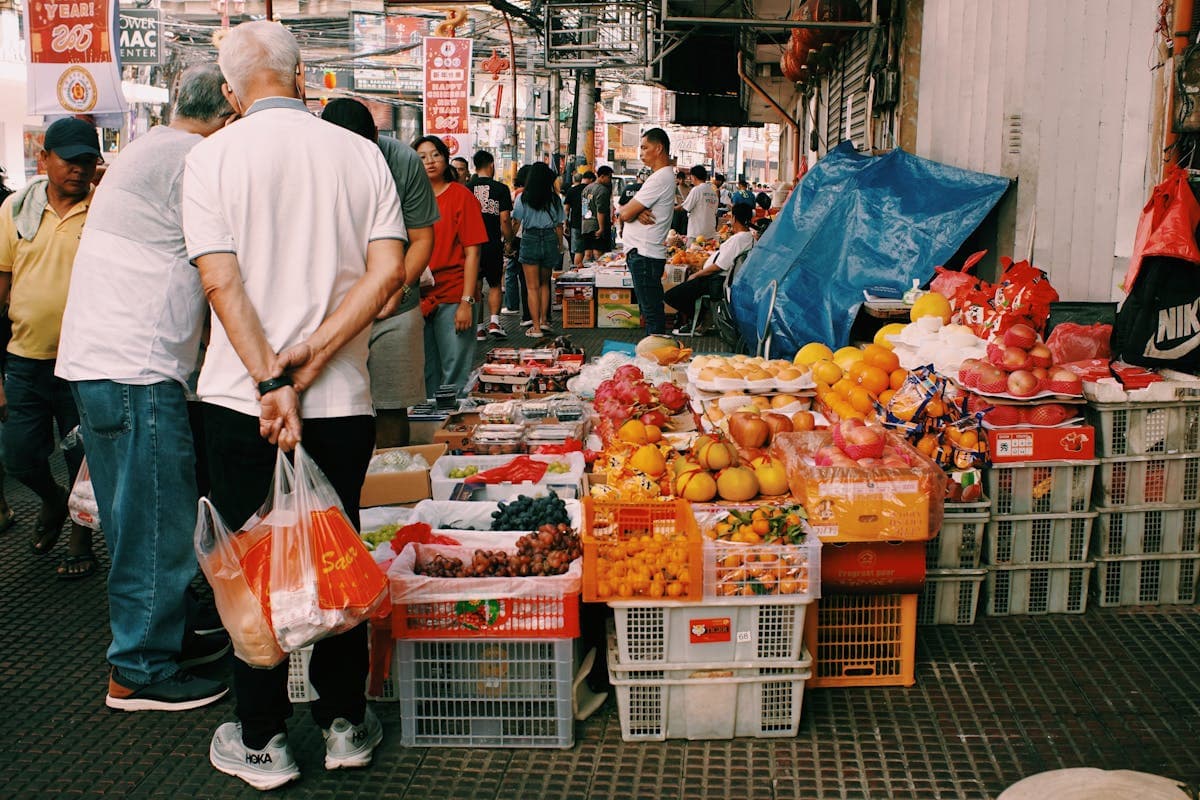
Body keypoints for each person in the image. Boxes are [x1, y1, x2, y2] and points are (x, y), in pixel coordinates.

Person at [180, 20, 412, 789]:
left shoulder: (210, 158)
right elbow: (385, 276)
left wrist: (271, 381)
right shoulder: (359, 154)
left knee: (252, 572)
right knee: (335, 552)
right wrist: (312, 360)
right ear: (302, 73)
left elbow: (222, 283)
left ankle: (262, 740)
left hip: (237, 400)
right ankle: (345, 723)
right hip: (340, 397)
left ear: (229, 83)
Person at [56, 64, 235, 712]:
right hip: (134, 369)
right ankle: (138, 669)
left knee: (142, 517)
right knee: (155, 522)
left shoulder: (150, 147)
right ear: (227, 111)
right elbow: (223, 268)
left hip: (102, 363)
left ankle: (160, 640)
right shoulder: (194, 161)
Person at [0, 117, 100, 579]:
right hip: (25, 358)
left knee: (84, 460)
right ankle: (53, 501)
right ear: (44, 159)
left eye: (86, 161)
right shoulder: (15, 210)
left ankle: (81, 541)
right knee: (17, 455)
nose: (78, 170)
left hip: (84, 362)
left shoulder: (102, 209)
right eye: (69, 160)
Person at [320, 99, 438, 449]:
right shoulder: (310, 159)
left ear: (376, 136)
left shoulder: (402, 161)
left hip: (394, 309)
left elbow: (421, 238)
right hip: (332, 307)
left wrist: (398, 290)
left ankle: (391, 488)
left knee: (391, 406)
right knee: (334, 410)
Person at [414, 135, 488, 394]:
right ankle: (429, 429)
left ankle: (450, 429)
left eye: (435, 155)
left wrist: (466, 302)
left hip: (454, 295)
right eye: (422, 157)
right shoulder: (411, 197)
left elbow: (473, 254)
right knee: (424, 373)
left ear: (446, 159)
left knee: (454, 374)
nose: (430, 162)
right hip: (418, 298)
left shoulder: (461, 197)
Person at [617, 128, 676, 335]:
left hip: (645, 254)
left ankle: (655, 358)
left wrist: (631, 212)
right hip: (645, 254)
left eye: (644, 147)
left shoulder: (660, 178)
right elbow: (626, 209)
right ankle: (656, 353)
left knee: (651, 313)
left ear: (658, 148)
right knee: (651, 310)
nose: (640, 153)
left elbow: (624, 213)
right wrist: (635, 211)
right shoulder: (659, 177)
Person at [667, 204, 756, 336]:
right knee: (685, 288)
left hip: (716, 279)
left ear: (734, 218)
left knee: (671, 296)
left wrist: (697, 275)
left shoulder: (739, 239)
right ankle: (700, 318)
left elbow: (719, 266)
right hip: (718, 278)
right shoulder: (748, 237)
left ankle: (701, 318)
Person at [512, 162, 565, 338]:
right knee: (545, 283)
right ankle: (544, 321)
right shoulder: (555, 199)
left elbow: (516, 221)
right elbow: (559, 226)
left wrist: (509, 241)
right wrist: (559, 245)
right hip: (549, 238)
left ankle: (535, 328)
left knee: (532, 287)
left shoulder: (523, 198)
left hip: (530, 238)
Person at [467, 150, 513, 341]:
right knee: (494, 283)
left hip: (471, 245)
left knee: (475, 285)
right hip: (493, 242)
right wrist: (509, 240)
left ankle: (478, 328)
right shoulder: (501, 189)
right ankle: (494, 321)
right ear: (492, 165)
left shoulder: (467, 188)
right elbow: (504, 219)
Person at [502, 164, 534, 328]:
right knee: (537, 282)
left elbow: (515, 220)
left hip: (521, 238)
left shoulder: (521, 195)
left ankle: (514, 306)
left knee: (515, 273)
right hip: (538, 238)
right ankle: (540, 317)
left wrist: (509, 240)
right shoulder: (546, 195)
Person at [582, 165, 613, 261]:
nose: (610, 180)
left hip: (586, 224)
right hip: (596, 225)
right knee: (598, 254)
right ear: (602, 176)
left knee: (587, 253)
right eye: (609, 177)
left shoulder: (586, 188)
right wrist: (601, 228)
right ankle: (599, 274)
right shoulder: (603, 190)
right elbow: (601, 211)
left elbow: (584, 208)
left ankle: (585, 273)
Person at [679, 165, 718, 242]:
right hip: (710, 233)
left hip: (696, 234)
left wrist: (671, 208)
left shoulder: (696, 190)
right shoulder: (713, 192)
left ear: (693, 177)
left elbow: (684, 207)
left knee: (692, 253)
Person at [564, 170, 592, 267]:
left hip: (576, 224)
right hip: (589, 223)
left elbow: (566, 210)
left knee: (578, 251)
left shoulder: (571, 191)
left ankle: (578, 273)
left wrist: (565, 224)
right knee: (588, 250)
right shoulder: (589, 190)